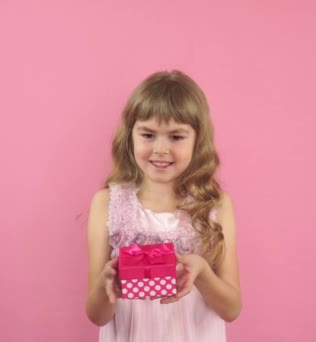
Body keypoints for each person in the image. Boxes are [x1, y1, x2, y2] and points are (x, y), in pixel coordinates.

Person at [85, 70, 241, 341]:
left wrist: (202, 273)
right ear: (130, 135)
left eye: (176, 137)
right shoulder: (106, 203)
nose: (160, 149)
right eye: (148, 134)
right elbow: (97, 315)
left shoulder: (216, 205)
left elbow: (231, 309)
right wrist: (106, 286)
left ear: (197, 140)